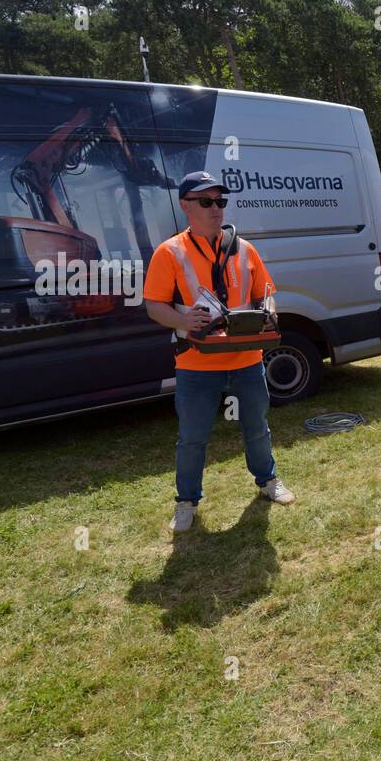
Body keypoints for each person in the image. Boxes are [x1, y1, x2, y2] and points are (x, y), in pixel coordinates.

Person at [143, 171, 296, 533]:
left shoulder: (244, 248)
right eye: (206, 202)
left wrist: (269, 311)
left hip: (247, 358)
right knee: (193, 437)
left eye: (220, 201)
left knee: (256, 427)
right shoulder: (170, 252)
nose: (216, 209)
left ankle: (268, 481)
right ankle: (186, 501)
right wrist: (185, 319)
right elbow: (154, 306)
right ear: (186, 206)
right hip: (196, 363)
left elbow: (265, 293)